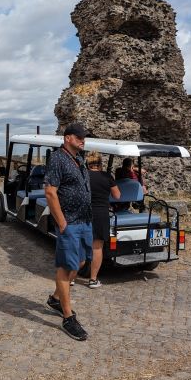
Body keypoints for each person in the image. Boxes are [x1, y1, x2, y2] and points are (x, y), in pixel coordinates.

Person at [44, 122, 92, 342]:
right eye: (80, 137)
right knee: (66, 268)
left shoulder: (79, 158)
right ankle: (67, 317)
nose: (83, 140)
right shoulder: (58, 158)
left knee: (81, 262)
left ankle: (55, 298)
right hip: (70, 223)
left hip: (84, 221)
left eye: (84, 137)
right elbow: (50, 192)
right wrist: (61, 222)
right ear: (68, 138)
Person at [86, 151, 120, 289]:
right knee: (97, 247)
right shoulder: (107, 176)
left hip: (84, 212)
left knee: (80, 244)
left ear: (88, 164)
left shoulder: (83, 175)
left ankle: (71, 278)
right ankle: (93, 280)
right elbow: (117, 195)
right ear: (100, 164)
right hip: (101, 213)